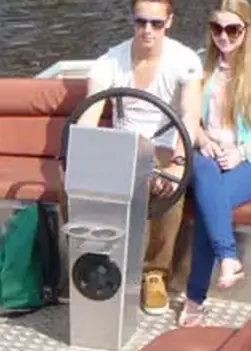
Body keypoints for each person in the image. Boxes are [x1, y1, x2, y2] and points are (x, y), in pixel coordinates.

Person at [77, 0, 203, 315]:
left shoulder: (184, 61)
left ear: (169, 22)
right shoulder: (110, 62)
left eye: (156, 23)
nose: (148, 30)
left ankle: (154, 273)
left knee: (171, 185)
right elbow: (90, 115)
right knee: (75, 187)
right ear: (132, 20)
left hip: (165, 144)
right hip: (123, 145)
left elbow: (190, 116)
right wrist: (83, 158)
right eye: (141, 21)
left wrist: (178, 160)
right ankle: (87, 263)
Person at [178, 0, 251, 327]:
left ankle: (195, 295)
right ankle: (228, 257)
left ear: (247, 29)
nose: (223, 37)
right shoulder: (203, 67)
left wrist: (241, 152)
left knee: (210, 202)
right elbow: (191, 118)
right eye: (217, 29)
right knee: (204, 174)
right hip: (209, 153)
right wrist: (203, 141)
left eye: (232, 29)